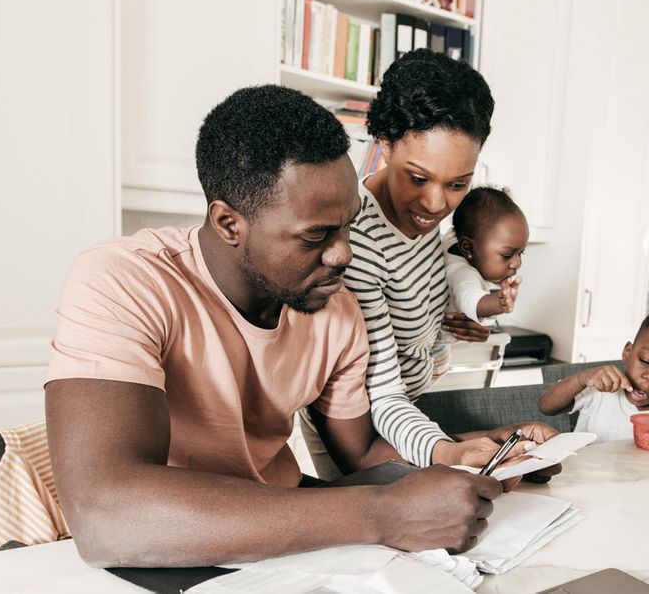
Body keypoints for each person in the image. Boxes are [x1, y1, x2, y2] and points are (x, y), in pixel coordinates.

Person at [44, 85, 504, 568]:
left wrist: (461, 455)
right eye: (316, 234)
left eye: (349, 225)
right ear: (227, 223)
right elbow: (106, 517)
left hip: (280, 546)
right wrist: (384, 515)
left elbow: (363, 453)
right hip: (157, 555)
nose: (343, 253)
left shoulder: (336, 310)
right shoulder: (125, 280)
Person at [301, 49, 559, 479]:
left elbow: (417, 307)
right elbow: (380, 393)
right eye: (418, 178)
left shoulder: (424, 225)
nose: (437, 204)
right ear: (384, 146)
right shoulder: (359, 243)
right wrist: (450, 452)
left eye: (458, 183)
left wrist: (455, 319)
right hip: (360, 429)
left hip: (407, 415)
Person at [538, 312, 649, 441]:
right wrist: (583, 379)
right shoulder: (599, 392)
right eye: (645, 361)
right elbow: (546, 406)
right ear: (628, 352)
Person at [442, 186, 528, 325]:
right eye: (507, 254)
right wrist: (497, 303)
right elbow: (470, 298)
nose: (517, 263)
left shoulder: (454, 239)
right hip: (437, 346)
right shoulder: (461, 272)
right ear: (468, 248)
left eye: (520, 253)